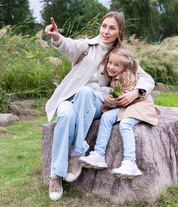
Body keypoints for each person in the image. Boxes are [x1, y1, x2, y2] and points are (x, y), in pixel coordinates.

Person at [44, 11, 155, 201]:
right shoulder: (87, 46)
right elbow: (68, 45)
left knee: (86, 92)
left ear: (119, 32)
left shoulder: (120, 56)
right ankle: (56, 175)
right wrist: (56, 37)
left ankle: (76, 152)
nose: (106, 31)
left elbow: (146, 78)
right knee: (65, 117)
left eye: (112, 28)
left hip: (95, 102)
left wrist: (137, 92)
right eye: (104, 26)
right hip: (71, 98)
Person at [78, 48, 160, 178]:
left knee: (125, 123)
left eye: (116, 65)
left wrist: (105, 98)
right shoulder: (115, 77)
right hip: (126, 107)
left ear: (125, 67)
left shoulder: (127, 76)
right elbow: (119, 100)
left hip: (140, 105)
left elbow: (122, 99)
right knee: (106, 116)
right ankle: (99, 154)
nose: (111, 67)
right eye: (110, 63)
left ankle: (130, 163)